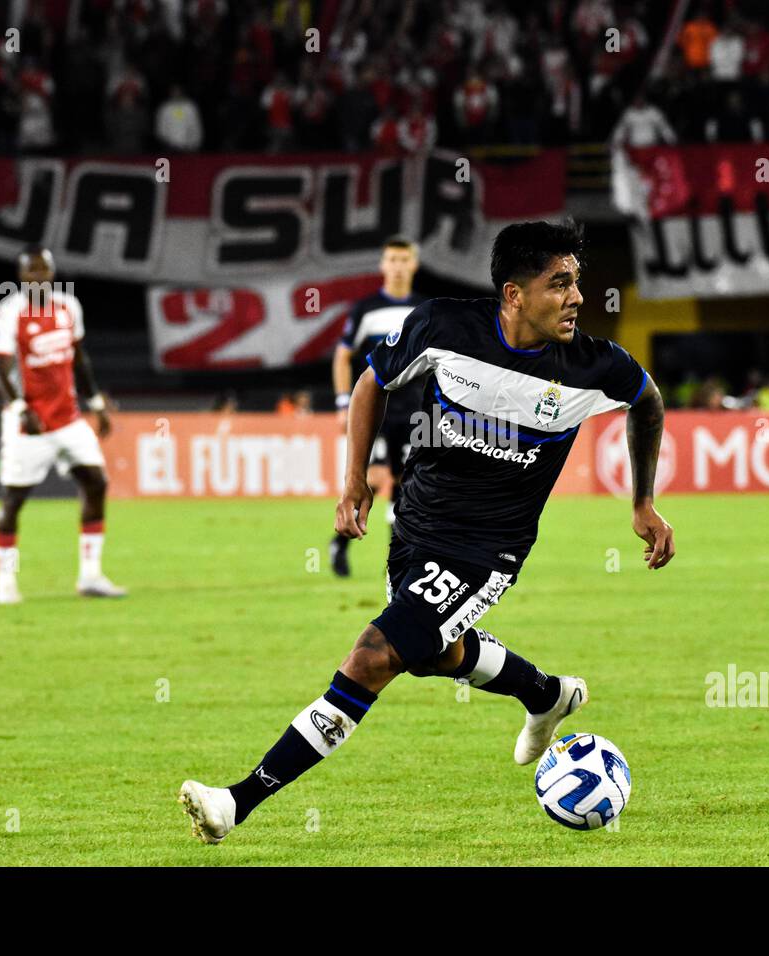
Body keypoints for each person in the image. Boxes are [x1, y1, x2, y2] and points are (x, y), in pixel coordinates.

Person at [179, 220, 675, 843]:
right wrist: (355, 479)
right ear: (514, 294)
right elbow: (371, 381)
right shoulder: (443, 325)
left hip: (486, 548)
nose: (578, 297)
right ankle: (547, 695)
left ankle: (237, 802)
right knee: (431, 650)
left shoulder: (593, 366)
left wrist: (643, 502)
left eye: (578, 282)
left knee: (374, 656)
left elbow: (648, 401)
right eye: (560, 283)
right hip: (416, 524)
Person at [0, 247, 126, 605]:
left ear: (52, 272)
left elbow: (79, 357)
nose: (38, 276)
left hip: (69, 418)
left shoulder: (68, 307)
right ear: (20, 276)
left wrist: (95, 402)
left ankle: (91, 575)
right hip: (29, 424)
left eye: (43, 269)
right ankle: (6, 580)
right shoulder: (8, 314)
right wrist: (19, 407)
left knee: (96, 483)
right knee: (14, 502)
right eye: (31, 270)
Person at [327, 236, 425, 577]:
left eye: (403, 259)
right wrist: (343, 404)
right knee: (375, 477)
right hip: (376, 411)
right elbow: (342, 356)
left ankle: (394, 562)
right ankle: (339, 542)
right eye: (392, 259)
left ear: (414, 264)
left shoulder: (424, 310)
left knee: (405, 488)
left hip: (416, 413)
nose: (397, 266)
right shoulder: (366, 309)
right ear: (383, 265)